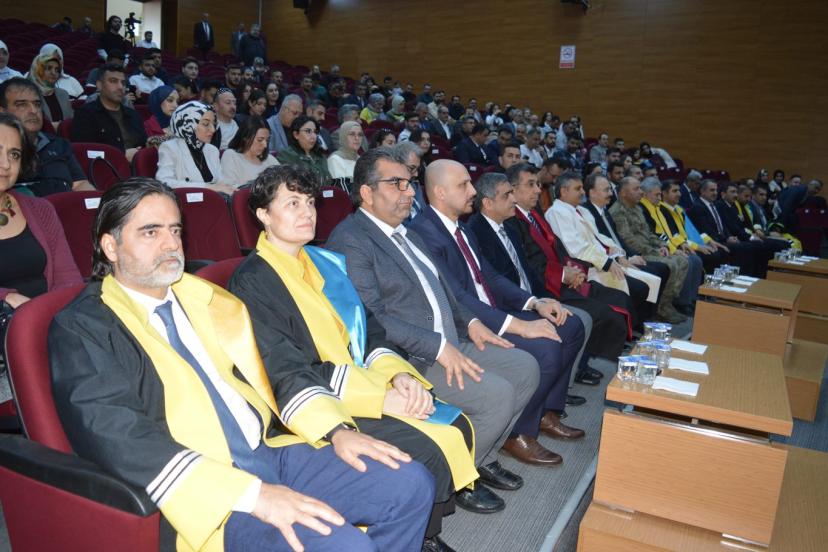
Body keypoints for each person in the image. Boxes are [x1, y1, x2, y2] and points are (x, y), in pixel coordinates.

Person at [49, 177, 435, 552]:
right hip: (202, 490)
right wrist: (253, 495)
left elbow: (279, 364)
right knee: (344, 545)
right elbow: (118, 435)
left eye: (175, 230)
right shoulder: (84, 327)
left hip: (266, 451)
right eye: (150, 232)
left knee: (410, 483)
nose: (170, 244)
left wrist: (336, 430)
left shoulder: (207, 297)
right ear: (111, 246)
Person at [228, 165, 477, 551]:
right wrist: (377, 399)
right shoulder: (253, 281)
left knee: (454, 422)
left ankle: (423, 532)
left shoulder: (325, 262)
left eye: (309, 202)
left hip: (356, 380)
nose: (306, 212)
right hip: (308, 404)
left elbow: (369, 329)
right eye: (292, 204)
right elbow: (284, 369)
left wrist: (398, 377)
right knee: (423, 447)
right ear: (263, 214)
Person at [327, 148, 542, 515]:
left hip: (451, 340)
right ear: (366, 192)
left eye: (409, 183)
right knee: (497, 396)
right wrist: (439, 347)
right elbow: (370, 317)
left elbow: (446, 290)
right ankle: (458, 478)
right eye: (397, 184)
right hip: (411, 359)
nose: (409, 192)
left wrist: (471, 323)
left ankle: (481, 458)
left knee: (525, 368)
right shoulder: (352, 240)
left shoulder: (407, 232)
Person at [409, 160, 586, 466]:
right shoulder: (423, 233)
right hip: (467, 325)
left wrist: (534, 303)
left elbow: (489, 277)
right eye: (464, 185)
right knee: (546, 348)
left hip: (490, 312)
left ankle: (542, 411)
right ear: (439, 192)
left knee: (570, 327)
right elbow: (458, 298)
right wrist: (518, 325)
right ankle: (517, 432)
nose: (473, 191)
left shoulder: (460, 228)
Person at [468, 172, 626, 371]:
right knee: (575, 323)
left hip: (530, 296)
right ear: (488, 203)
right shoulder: (476, 232)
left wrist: (545, 298)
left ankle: (568, 378)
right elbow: (496, 283)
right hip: (510, 305)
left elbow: (526, 270)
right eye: (507, 195)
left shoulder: (507, 227)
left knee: (580, 320)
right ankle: (561, 379)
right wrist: (534, 302)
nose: (514, 199)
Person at [504, 163, 637, 340]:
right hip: (546, 287)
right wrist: (563, 274)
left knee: (620, 297)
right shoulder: (511, 221)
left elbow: (558, 247)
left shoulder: (534, 213)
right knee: (605, 313)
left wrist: (573, 270)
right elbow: (530, 263)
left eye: (538, 184)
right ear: (512, 189)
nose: (538, 190)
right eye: (531, 184)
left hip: (563, 276)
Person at [547, 172, 665, 321]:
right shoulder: (557, 212)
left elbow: (600, 238)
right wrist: (607, 262)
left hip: (603, 261)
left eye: (582, 188)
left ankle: (642, 324)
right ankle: (636, 326)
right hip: (588, 268)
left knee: (650, 280)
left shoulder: (582, 210)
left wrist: (618, 255)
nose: (583, 192)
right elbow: (575, 247)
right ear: (564, 191)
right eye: (578, 189)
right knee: (639, 288)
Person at [0, 111, 82, 319]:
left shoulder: (41, 209)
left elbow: (67, 277)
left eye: (14, 154)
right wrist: (6, 298)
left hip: (49, 320)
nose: (6, 164)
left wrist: (54, 319)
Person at [609, 177, 690, 323]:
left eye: (640, 188)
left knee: (682, 260)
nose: (641, 192)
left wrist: (662, 245)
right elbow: (628, 240)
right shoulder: (618, 212)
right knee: (671, 264)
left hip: (649, 249)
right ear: (623, 193)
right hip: (638, 253)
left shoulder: (637, 208)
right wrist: (653, 250)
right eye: (636, 189)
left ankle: (666, 303)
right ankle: (660, 308)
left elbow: (649, 234)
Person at [0, 78, 93, 195]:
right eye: (22, 105)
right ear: (2, 111)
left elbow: (80, 184)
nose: (33, 111)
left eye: (37, 104)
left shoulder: (59, 144)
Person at [688, 179, 764, 276]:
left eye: (716, 190)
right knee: (744, 248)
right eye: (712, 190)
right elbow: (706, 229)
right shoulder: (697, 207)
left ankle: (747, 277)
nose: (715, 193)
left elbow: (722, 225)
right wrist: (726, 239)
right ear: (702, 191)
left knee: (751, 246)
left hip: (721, 239)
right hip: (712, 241)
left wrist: (729, 236)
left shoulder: (713, 205)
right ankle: (740, 277)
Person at [71, 64, 147, 162]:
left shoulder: (134, 115)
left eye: (123, 83)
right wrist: (121, 155)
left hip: (137, 167)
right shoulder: (85, 114)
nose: (120, 87)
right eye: (113, 81)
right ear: (99, 85)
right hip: (105, 168)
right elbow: (86, 153)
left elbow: (143, 144)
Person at [156, 102, 233, 194]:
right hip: (185, 200)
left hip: (212, 199)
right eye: (205, 124)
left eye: (213, 124)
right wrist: (208, 187)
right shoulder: (170, 148)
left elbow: (220, 181)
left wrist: (232, 188)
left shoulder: (212, 150)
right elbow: (164, 182)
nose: (213, 129)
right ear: (188, 124)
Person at [658, 179, 727, 272]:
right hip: (678, 246)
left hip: (687, 243)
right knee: (711, 255)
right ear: (664, 193)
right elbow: (674, 235)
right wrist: (698, 247)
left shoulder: (678, 209)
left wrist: (709, 240)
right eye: (674, 191)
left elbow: (692, 230)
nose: (679, 194)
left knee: (718, 250)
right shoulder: (661, 210)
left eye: (679, 191)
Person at [220, 116, 279, 188]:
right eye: (260, 140)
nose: (265, 145)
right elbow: (229, 187)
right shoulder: (231, 156)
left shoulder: (270, 159)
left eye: (267, 140)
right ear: (246, 137)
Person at [277, 115, 332, 185]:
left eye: (315, 132)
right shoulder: (286, 156)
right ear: (296, 135)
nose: (313, 136)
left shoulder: (320, 156)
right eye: (308, 131)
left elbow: (329, 182)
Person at [26, 47, 73, 126]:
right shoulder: (27, 94)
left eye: (57, 70)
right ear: (38, 69)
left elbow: (71, 121)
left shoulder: (63, 94)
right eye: (49, 68)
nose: (53, 73)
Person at [327, 121, 362, 193]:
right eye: (352, 134)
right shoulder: (335, 159)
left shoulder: (361, 159)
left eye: (360, 134)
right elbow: (343, 191)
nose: (357, 138)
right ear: (343, 136)